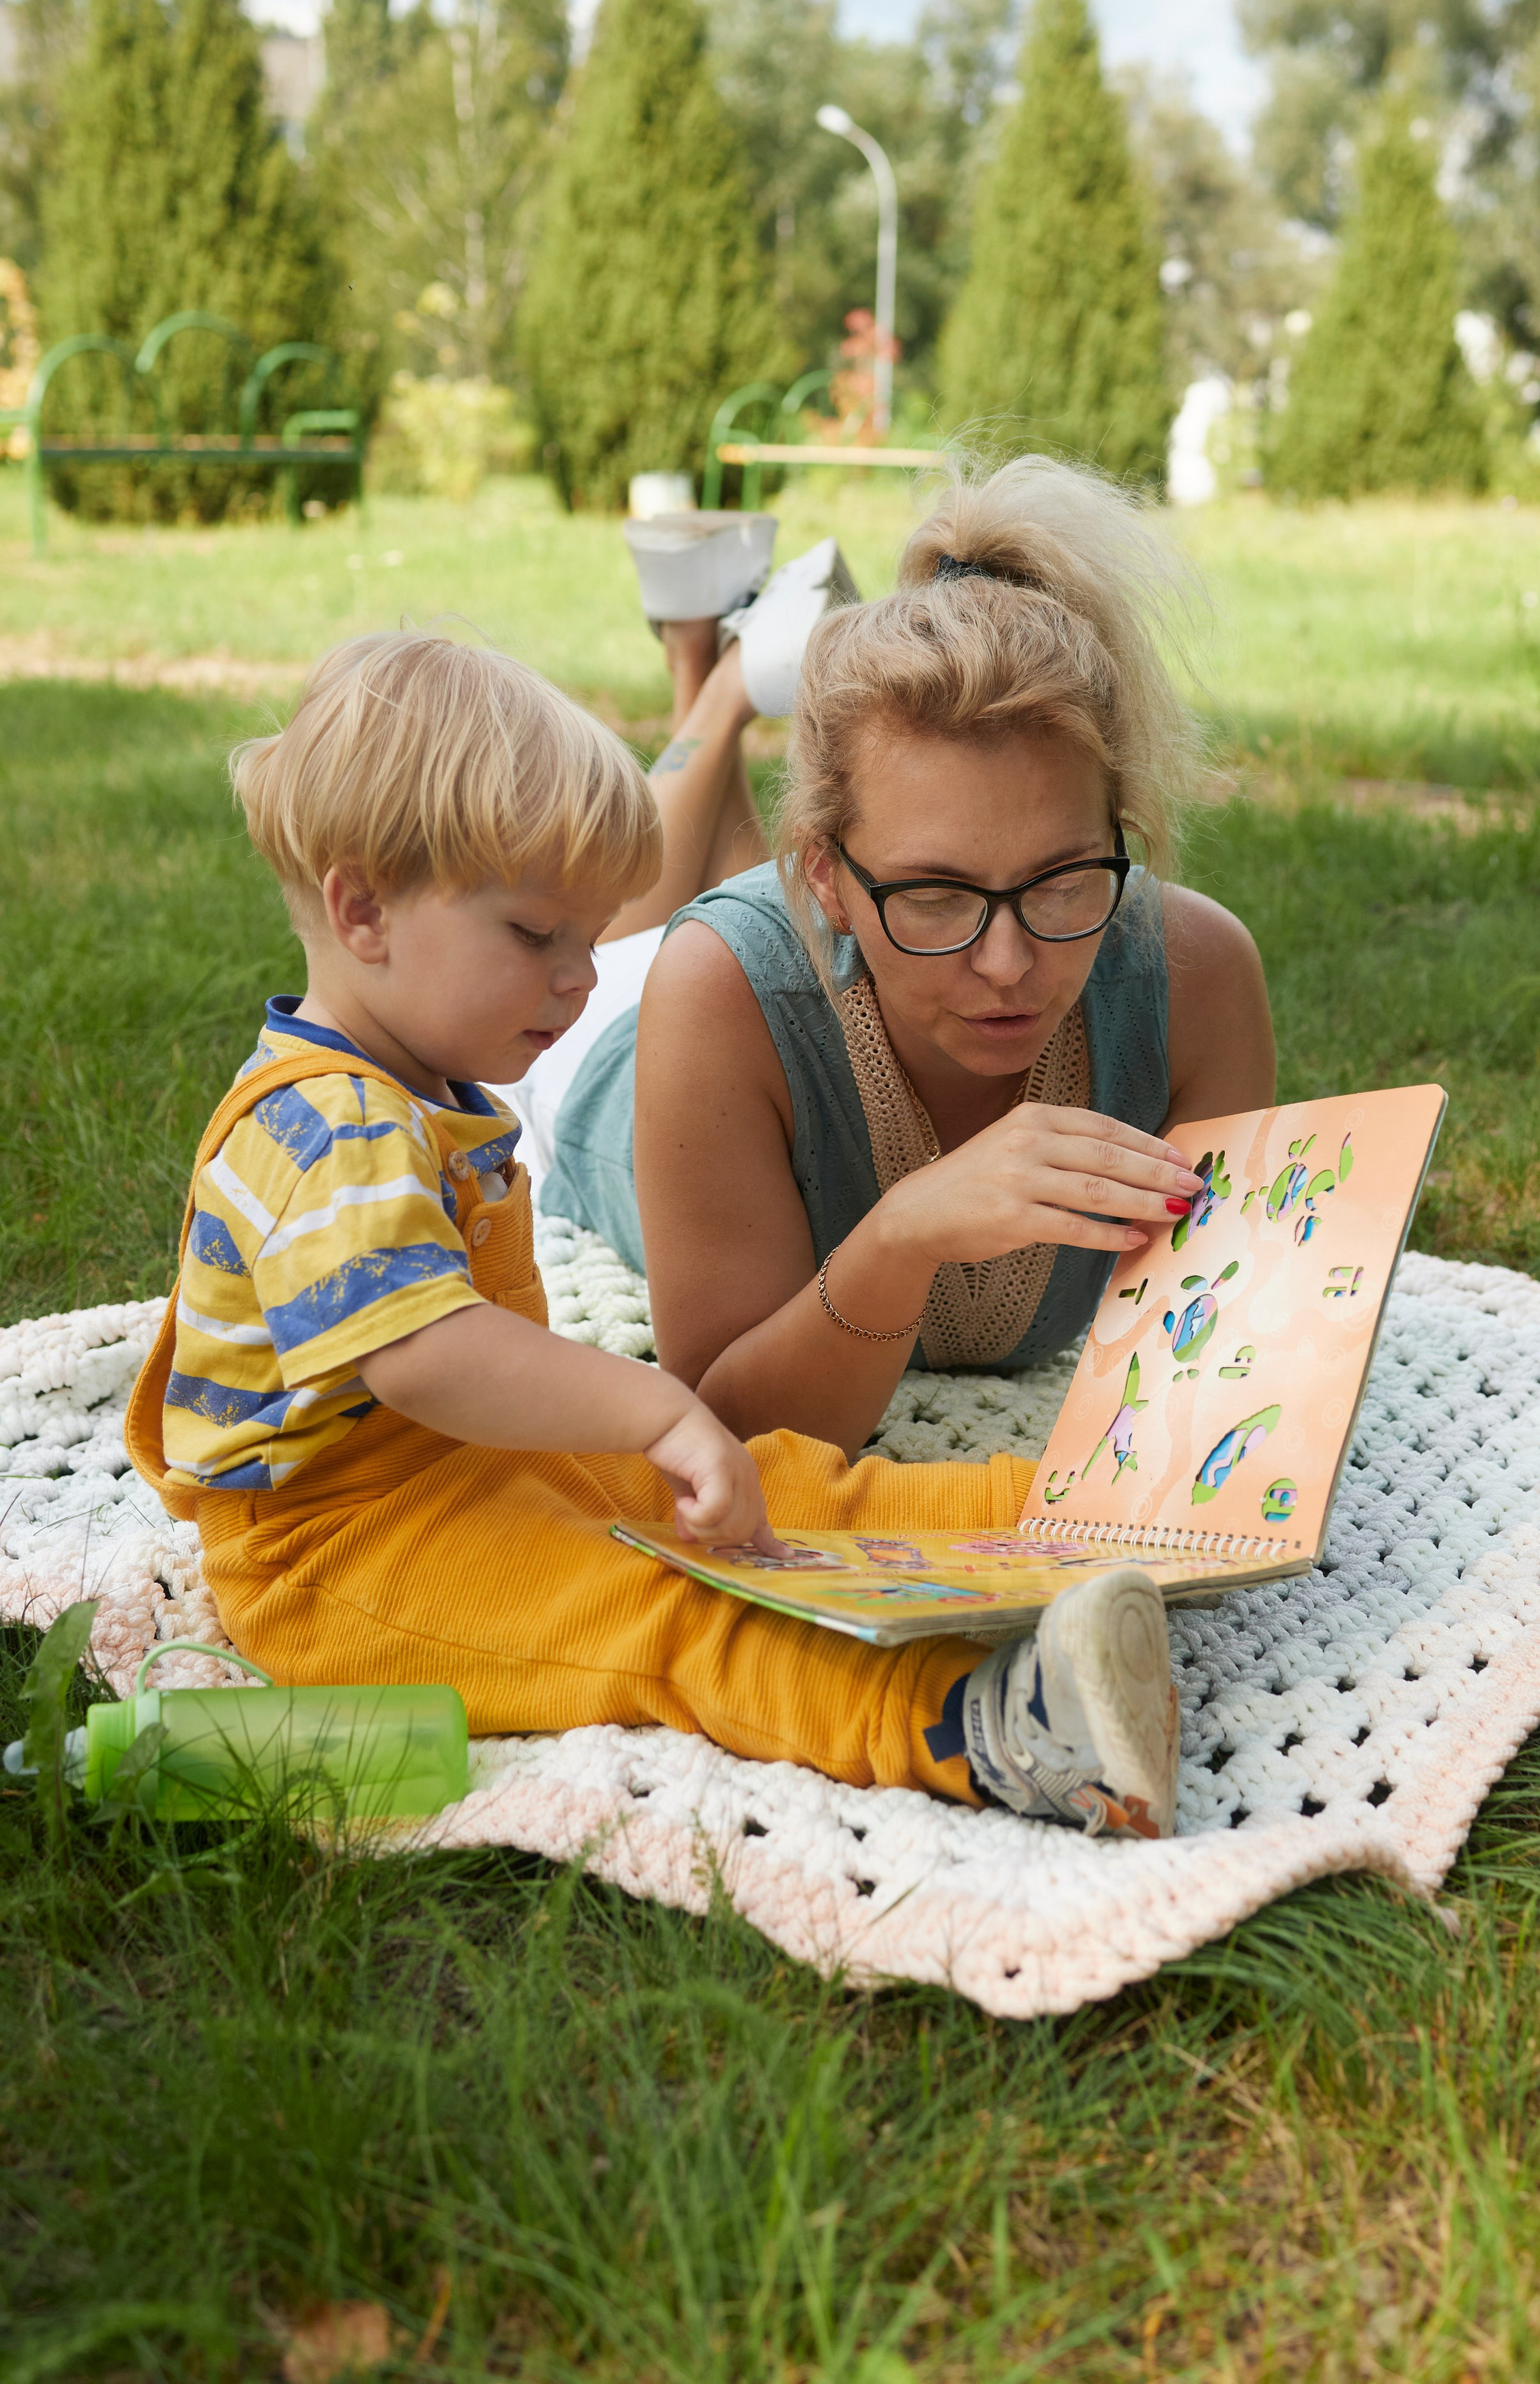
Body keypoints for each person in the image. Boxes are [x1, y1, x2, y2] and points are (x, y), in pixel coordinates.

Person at [123, 628, 1181, 1840]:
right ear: (362, 908)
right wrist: (657, 1411)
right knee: (662, 1614)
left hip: (477, 1468)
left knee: (787, 1490)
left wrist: (646, 1435)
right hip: (339, 1560)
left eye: (591, 938)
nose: (581, 982)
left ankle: (1087, 1517)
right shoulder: (326, 1125)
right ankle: (991, 1728)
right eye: (536, 938)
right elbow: (425, 1355)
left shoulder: (417, 1089)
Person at [537, 456, 1276, 1456]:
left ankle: (718, 661)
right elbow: (727, 1428)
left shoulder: (1197, 974)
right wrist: (901, 1236)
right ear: (828, 882)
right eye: (934, 897)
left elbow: (1224, 1363)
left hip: (802, 954)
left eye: (1063, 880)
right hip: (614, 1046)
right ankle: (713, 690)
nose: (1009, 963)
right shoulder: (715, 988)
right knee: (638, 924)